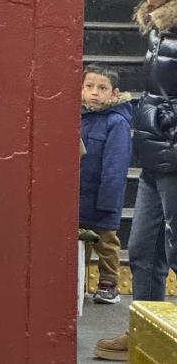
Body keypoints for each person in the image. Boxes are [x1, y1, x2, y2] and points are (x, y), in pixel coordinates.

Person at [95, 0, 177, 361]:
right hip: (154, 156)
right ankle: (147, 330)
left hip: (172, 156)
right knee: (144, 250)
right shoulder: (161, 29)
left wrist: (163, 122)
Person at [79, 65, 131, 306]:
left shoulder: (116, 122)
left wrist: (108, 199)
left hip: (103, 194)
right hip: (78, 193)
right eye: (89, 86)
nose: (94, 93)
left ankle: (109, 283)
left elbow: (116, 164)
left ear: (114, 92)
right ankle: (77, 283)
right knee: (79, 240)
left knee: (106, 241)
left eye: (102, 88)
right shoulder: (78, 117)